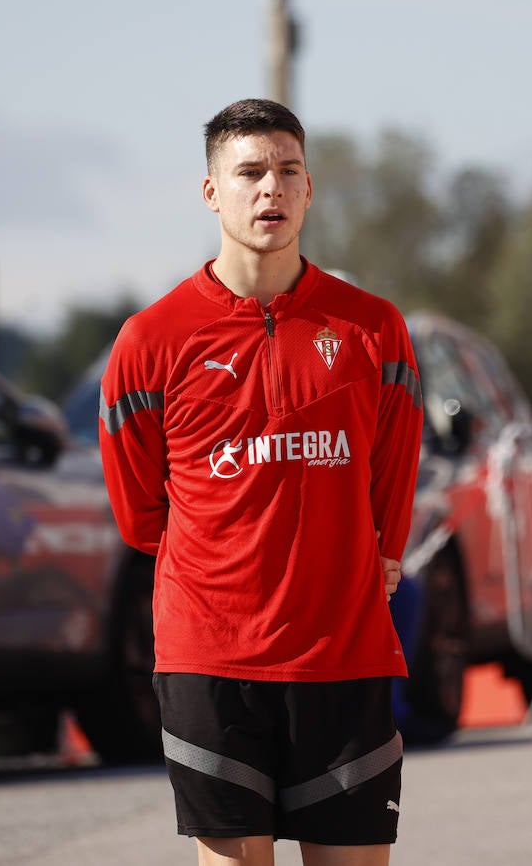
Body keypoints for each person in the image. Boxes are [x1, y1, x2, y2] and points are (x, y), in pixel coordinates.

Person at [99, 98, 424, 866]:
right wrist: (226, 564)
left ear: (309, 189)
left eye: (286, 172)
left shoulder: (373, 328)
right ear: (213, 192)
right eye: (248, 173)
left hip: (343, 655)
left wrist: (368, 550)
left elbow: (394, 477)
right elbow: (140, 511)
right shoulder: (150, 340)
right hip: (210, 661)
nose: (269, 189)